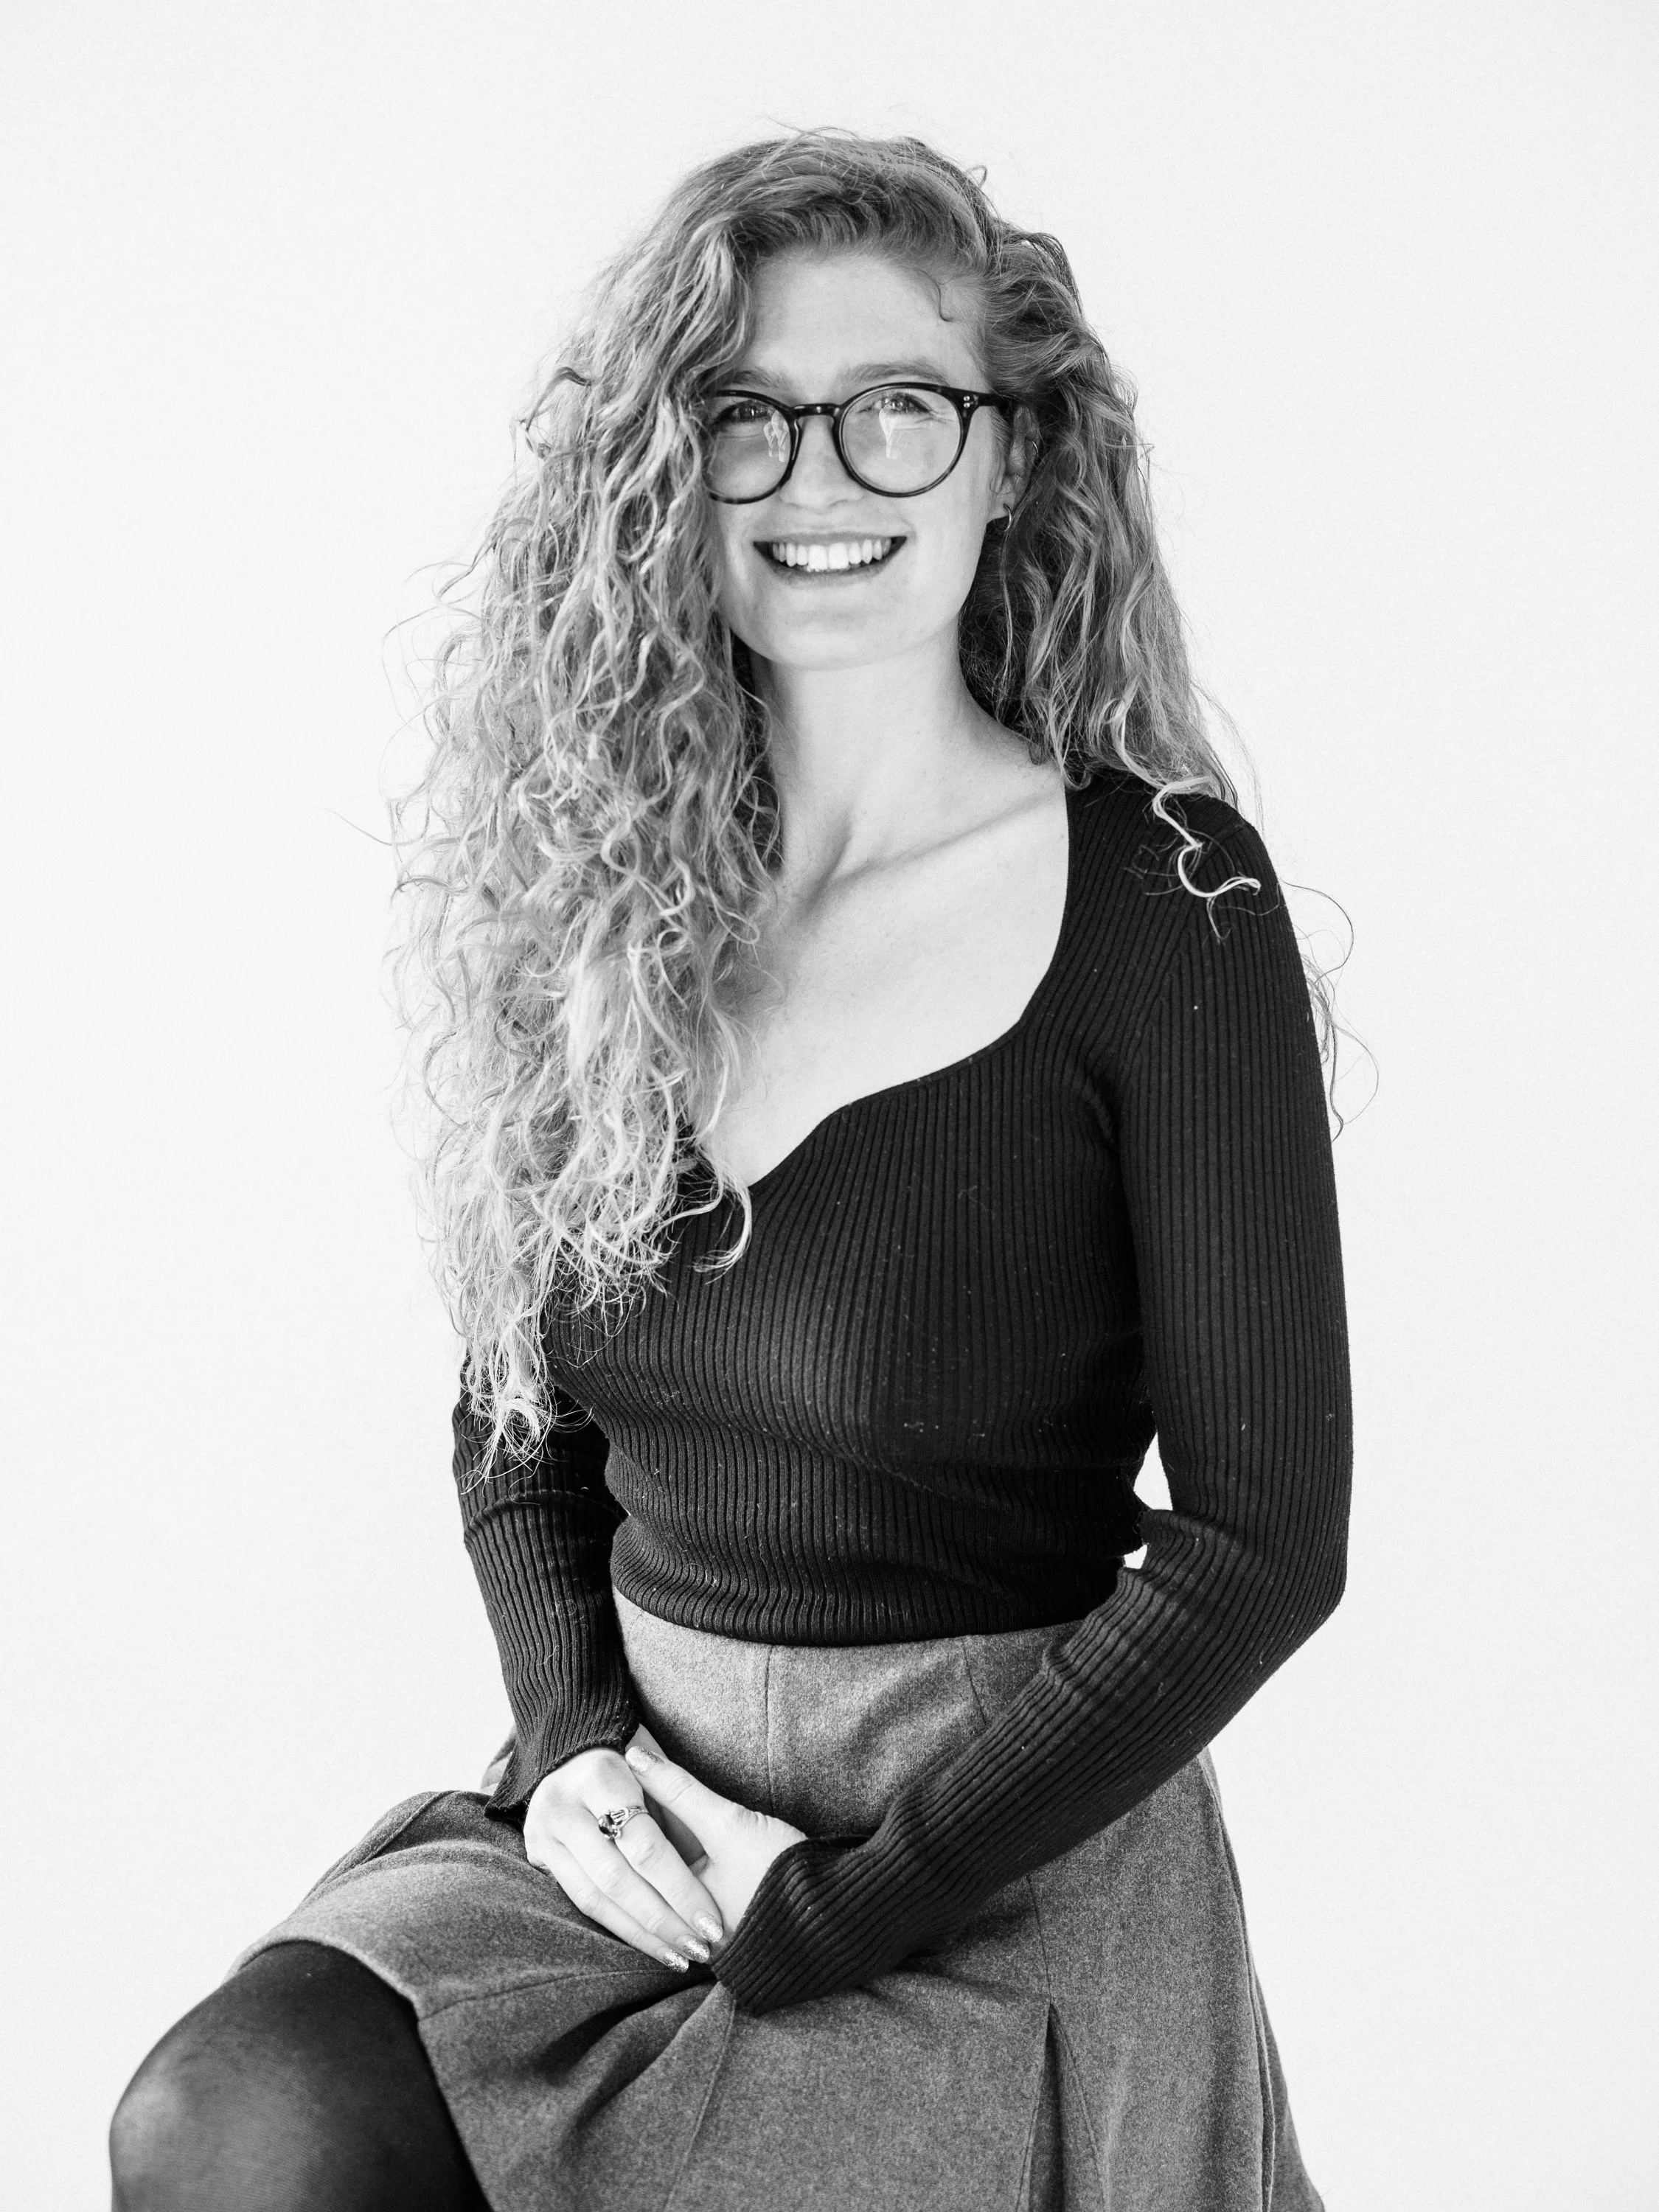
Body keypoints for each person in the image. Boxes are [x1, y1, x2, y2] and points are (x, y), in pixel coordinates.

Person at [110, 128, 1352, 2212]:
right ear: (668, 468)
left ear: (1012, 458)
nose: (822, 477)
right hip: (642, 1836)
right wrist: (576, 1742)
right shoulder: (599, 901)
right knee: (228, 2123)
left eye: (895, 410)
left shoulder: (1164, 905)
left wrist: (846, 1905)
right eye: (745, 416)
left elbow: (1261, 1540)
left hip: (991, 1877)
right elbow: (520, 1423)